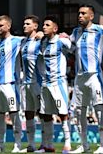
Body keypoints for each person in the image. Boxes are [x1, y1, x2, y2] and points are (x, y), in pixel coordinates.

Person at [68, 5, 103, 154]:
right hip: (79, 77)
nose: (80, 15)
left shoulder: (101, 29)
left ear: (91, 16)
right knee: (79, 112)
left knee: (98, 110)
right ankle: (83, 145)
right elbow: (68, 43)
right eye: (79, 13)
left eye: (83, 13)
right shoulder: (76, 32)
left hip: (94, 75)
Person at [0, 15, 23, 153]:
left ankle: (18, 144)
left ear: (8, 26)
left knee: (14, 114)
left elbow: (33, 38)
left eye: (1, 25)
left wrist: (39, 34)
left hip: (10, 84)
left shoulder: (17, 41)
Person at [37, 16, 72, 153]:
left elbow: (71, 44)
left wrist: (67, 37)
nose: (44, 27)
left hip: (58, 83)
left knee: (62, 113)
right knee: (45, 114)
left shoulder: (61, 41)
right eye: (43, 25)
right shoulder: (43, 42)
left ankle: (68, 143)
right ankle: (48, 145)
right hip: (45, 83)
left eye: (47, 25)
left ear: (55, 28)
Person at [19, 15, 45, 152]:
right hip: (25, 83)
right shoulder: (22, 42)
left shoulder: (41, 40)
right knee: (28, 113)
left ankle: (45, 144)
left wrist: (43, 34)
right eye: (24, 23)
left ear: (35, 26)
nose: (24, 26)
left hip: (38, 83)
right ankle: (31, 145)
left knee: (43, 113)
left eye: (27, 23)